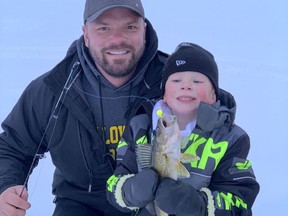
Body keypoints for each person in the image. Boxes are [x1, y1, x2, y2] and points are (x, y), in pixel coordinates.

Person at [0, 0, 168, 215]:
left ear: (144, 30)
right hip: (80, 204)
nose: (117, 39)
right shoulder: (52, 88)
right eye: (103, 28)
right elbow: (12, 146)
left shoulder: (178, 83)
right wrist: (6, 187)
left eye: (130, 27)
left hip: (153, 204)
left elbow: (224, 122)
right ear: (86, 35)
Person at [106, 42, 260, 215]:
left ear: (213, 95)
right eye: (176, 80)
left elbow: (240, 202)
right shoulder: (140, 128)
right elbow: (114, 184)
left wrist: (199, 206)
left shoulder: (230, 139)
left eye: (197, 81)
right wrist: (130, 191)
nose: (185, 86)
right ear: (164, 93)